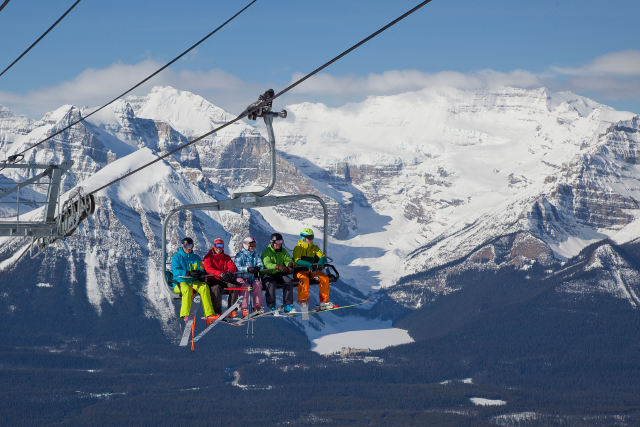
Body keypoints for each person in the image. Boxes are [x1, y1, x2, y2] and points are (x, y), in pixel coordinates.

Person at [170, 237, 217, 325]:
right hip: (180, 282)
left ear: (193, 246)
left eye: (190, 246)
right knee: (186, 290)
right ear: (182, 246)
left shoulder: (196, 257)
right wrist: (187, 273)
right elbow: (175, 270)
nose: (188, 248)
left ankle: (209, 315)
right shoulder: (177, 257)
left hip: (193, 281)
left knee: (204, 287)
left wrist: (199, 273)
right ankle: (186, 315)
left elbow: (201, 269)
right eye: (186, 246)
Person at [293, 227, 333, 310]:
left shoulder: (314, 248)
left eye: (312, 238)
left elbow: (323, 257)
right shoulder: (298, 248)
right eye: (309, 238)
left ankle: (324, 302)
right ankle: (303, 302)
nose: (311, 240)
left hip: (312, 271)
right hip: (300, 271)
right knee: (304, 280)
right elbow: (297, 260)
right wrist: (310, 265)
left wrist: (320, 264)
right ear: (303, 238)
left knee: (324, 278)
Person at [202, 238, 238, 317]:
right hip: (213, 279)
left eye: (221, 246)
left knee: (234, 286)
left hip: (224, 279)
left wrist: (229, 273)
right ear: (214, 246)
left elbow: (232, 266)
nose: (219, 248)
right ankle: (217, 311)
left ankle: (232, 310)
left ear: (223, 247)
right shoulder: (208, 257)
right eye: (217, 245)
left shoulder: (226, 257)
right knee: (216, 288)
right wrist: (220, 273)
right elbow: (208, 269)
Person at [261, 233, 296, 313]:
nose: (280, 244)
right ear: (272, 243)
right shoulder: (266, 252)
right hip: (267, 273)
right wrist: (279, 267)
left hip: (278, 273)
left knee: (288, 281)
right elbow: (267, 264)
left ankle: (287, 305)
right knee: (271, 284)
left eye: (281, 242)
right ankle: (271, 306)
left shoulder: (283, 251)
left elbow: (287, 259)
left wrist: (290, 265)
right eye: (278, 242)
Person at [234, 236, 265, 318]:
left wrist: (257, 268)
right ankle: (244, 308)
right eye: (251, 245)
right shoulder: (240, 255)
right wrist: (247, 269)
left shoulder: (255, 255)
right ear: (246, 245)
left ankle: (257, 306)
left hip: (251, 277)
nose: (253, 247)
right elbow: (237, 267)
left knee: (257, 284)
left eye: (254, 245)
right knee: (246, 286)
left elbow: (260, 264)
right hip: (241, 277)